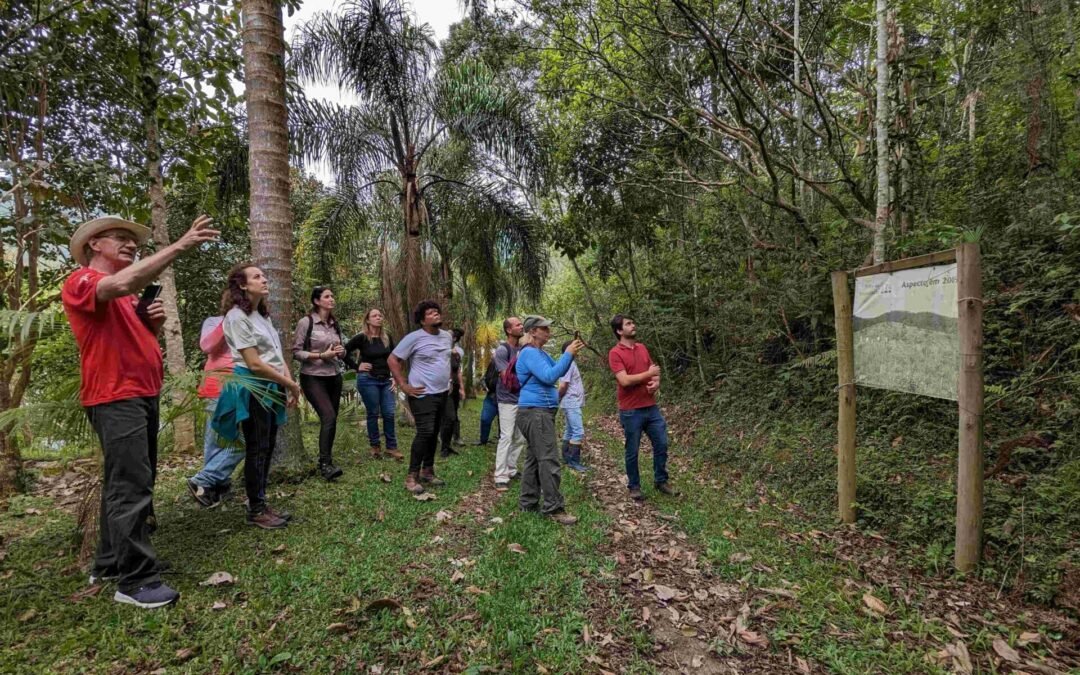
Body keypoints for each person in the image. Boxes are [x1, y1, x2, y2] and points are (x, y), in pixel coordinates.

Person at [63, 213, 218, 608]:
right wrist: (180, 245)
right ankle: (136, 582)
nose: (131, 244)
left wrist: (152, 325)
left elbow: (134, 336)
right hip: (114, 395)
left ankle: (110, 563)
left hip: (141, 393)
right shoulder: (83, 280)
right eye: (120, 237)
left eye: (133, 240)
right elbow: (121, 283)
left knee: (128, 481)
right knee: (130, 486)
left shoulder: (130, 297)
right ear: (94, 244)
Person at [213, 264, 302, 530]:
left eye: (263, 276)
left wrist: (287, 383)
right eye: (257, 277)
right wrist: (291, 384)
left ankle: (261, 501)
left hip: (272, 384)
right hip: (253, 386)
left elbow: (275, 354)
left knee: (268, 445)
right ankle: (256, 509)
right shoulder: (236, 316)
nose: (264, 280)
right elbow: (253, 363)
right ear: (242, 285)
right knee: (258, 447)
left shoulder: (261, 315)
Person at [515, 316, 585, 525]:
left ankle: (528, 502)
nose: (548, 331)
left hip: (537, 412)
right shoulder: (529, 353)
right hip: (535, 413)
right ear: (533, 331)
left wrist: (570, 355)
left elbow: (559, 371)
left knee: (534, 459)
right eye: (544, 328)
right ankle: (553, 507)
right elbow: (548, 377)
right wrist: (567, 353)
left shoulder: (541, 353)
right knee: (549, 459)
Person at [608, 314, 678, 501]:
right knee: (632, 450)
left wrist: (656, 382)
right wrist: (649, 374)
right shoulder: (615, 353)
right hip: (630, 411)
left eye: (633, 322)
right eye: (628, 324)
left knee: (661, 444)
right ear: (619, 331)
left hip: (650, 407)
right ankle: (634, 486)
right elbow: (624, 380)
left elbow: (654, 371)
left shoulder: (642, 348)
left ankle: (661, 481)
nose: (633, 325)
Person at [388, 301, 453, 494]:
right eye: (430, 313)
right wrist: (403, 384)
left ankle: (428, 471)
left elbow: (445, 360)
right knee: (425, 432)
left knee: (434, 432)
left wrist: (448, 380)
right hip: (422, 394)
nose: (436, 314)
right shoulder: (414, 338)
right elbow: (392, 359)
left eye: (437, 311)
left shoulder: (447, 336)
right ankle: (411, 476)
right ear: (422, 320)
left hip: (442, 392)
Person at [292, 286, 350, 481]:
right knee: (328, 416)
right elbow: (296, 352)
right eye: (327, 296)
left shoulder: (335, 324)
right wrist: (320, 355)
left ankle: (327, 460)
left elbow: (341, 351)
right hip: (312, 376)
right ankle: (325, 465)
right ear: (317, 301)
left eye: (332, 296)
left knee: (331, 419)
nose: (332, 299)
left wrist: (341, 352)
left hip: (334, 375)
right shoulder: (306, 322)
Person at [186, 314, 243, 507]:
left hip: (244, 385)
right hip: (215, 386)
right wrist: (228, 320)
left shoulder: (252, 320)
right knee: (214, 442)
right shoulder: (213, 322)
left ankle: (210, 482)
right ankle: (211, 485)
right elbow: (207, 346)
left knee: (241, 439)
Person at [344, 308, 402, 460]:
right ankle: (375, 446)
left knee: (389, 413)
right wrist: (357, 366)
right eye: (374, 316)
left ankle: (391, 447)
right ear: (368, 320)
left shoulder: (387, 337)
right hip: (368, 379)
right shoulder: (362, 338)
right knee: (373, 413)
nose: (378, 317)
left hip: (386, 380)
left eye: (380, 315)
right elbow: (344, 352)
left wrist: (395, 377)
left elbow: (395, 358)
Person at [492, 316, 527, 491]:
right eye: (517, 324)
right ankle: (500, 475)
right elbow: (506, 377)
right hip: (507, 399)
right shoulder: (502, 350)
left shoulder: (523, 350)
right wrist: (527, 377)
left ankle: (511, 469)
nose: (521, 326)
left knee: (520, 437)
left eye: (521, 324)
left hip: (523, 399)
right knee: (506, 436)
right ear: (508, 330)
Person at [558, 340, 589, 472]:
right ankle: (574, 461)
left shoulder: (569, 362)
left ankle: (566, 458)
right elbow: (563, 385)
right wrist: (557, 398)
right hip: (571, 401)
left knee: (570, 430)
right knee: (578, 431)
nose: (578, 350)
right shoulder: (567, 363)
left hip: (572, 401)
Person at [439, 328, 466, 457]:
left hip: (454, 387)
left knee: (453, 415)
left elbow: (458, 371)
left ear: (454, 339)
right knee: (449, 416)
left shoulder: (456, 354)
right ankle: (444, 446)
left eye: (448, 334)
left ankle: (449, 443)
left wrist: (461, 388)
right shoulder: (439, 350)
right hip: (443, 387)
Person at [475, 352, 500, 446]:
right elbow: (485, 377)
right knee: (485, 418)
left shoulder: (511, 364)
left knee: (503, 422)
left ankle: (502, 441)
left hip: (505, 398)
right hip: (491, 396)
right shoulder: (492, 364)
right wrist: (485, 385)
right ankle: (483, 440)